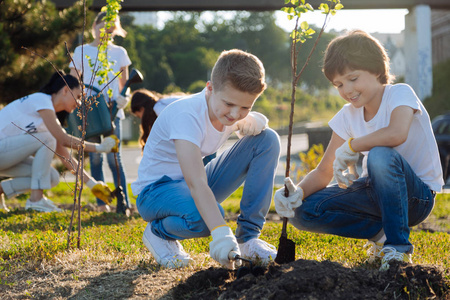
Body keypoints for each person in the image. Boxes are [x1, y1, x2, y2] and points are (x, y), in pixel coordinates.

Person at [273, 30, 444, 271]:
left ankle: (397, 249)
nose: (347, 90)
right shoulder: (347, 116)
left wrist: (353, 145)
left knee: (379, 154)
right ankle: (381, 234)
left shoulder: (400, 94)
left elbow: (396, 134)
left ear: (376, 70)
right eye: (339, 84)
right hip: (373, 193)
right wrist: (295, 194)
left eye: (353, 79)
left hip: (416, 197)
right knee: (302, 212)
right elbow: (323, 172)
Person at [131, 49, 281, 269]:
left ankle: (247, 239)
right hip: (155, 192)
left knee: (267, 139)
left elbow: (236, 121)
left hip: (187, 185)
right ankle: (158, 233)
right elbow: (196, 182)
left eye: (246, 107)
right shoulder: (187, 116)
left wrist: (249, 121)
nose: (235, 114)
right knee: (205, 220)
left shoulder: (227, 111)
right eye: (229, 104)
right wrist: (220, 233)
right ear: (210, 88)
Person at [0, 71, 118, 212]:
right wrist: (100, 148)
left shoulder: (50, 119)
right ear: (66, 90)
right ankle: (35, 201)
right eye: (78, 96)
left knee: (52, 177)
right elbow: (63, 139)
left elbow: (66, 157)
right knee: (48, 137)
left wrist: (92, 184)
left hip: (6, 156)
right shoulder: (42, 100)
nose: (80, 103)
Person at [70, 11, 132, 213]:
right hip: (91, 112)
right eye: (101, 26)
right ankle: (102, 203)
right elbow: (72, 81)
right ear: (94, 27)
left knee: (115, 158)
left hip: (113, 111)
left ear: (115, 30)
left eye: (109, 27)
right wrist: (78, 101)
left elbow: (125, 84)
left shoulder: (119, 52)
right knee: (95, 158)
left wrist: (125, 97)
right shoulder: (82, 50)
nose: (104, 31)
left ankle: (124, 204)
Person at [130, 89, 217, 165]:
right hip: (208, 125)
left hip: (205, 129)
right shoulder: (163, 103)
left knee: (202, 173)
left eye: (139, 116)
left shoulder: (160, 110)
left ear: (141, 109)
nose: (141, 119)